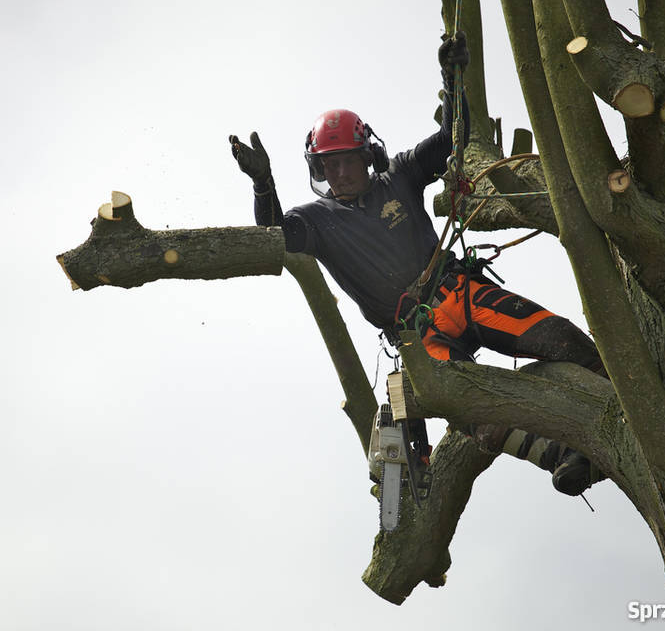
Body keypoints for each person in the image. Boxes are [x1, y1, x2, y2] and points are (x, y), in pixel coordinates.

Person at [229, 33, 605, 496]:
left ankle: (617, 406)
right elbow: (271, 239)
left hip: (458, 294)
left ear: (367, 156)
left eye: (347, 161)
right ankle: (565, 458)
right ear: (318, 170)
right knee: (471, 410)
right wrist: (263, 184)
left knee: (559, 338)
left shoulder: (399, 176)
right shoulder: (314, 222)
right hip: (415, 334)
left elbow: (453, 137)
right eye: (330, 166)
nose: (340, 173)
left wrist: (454, 79)